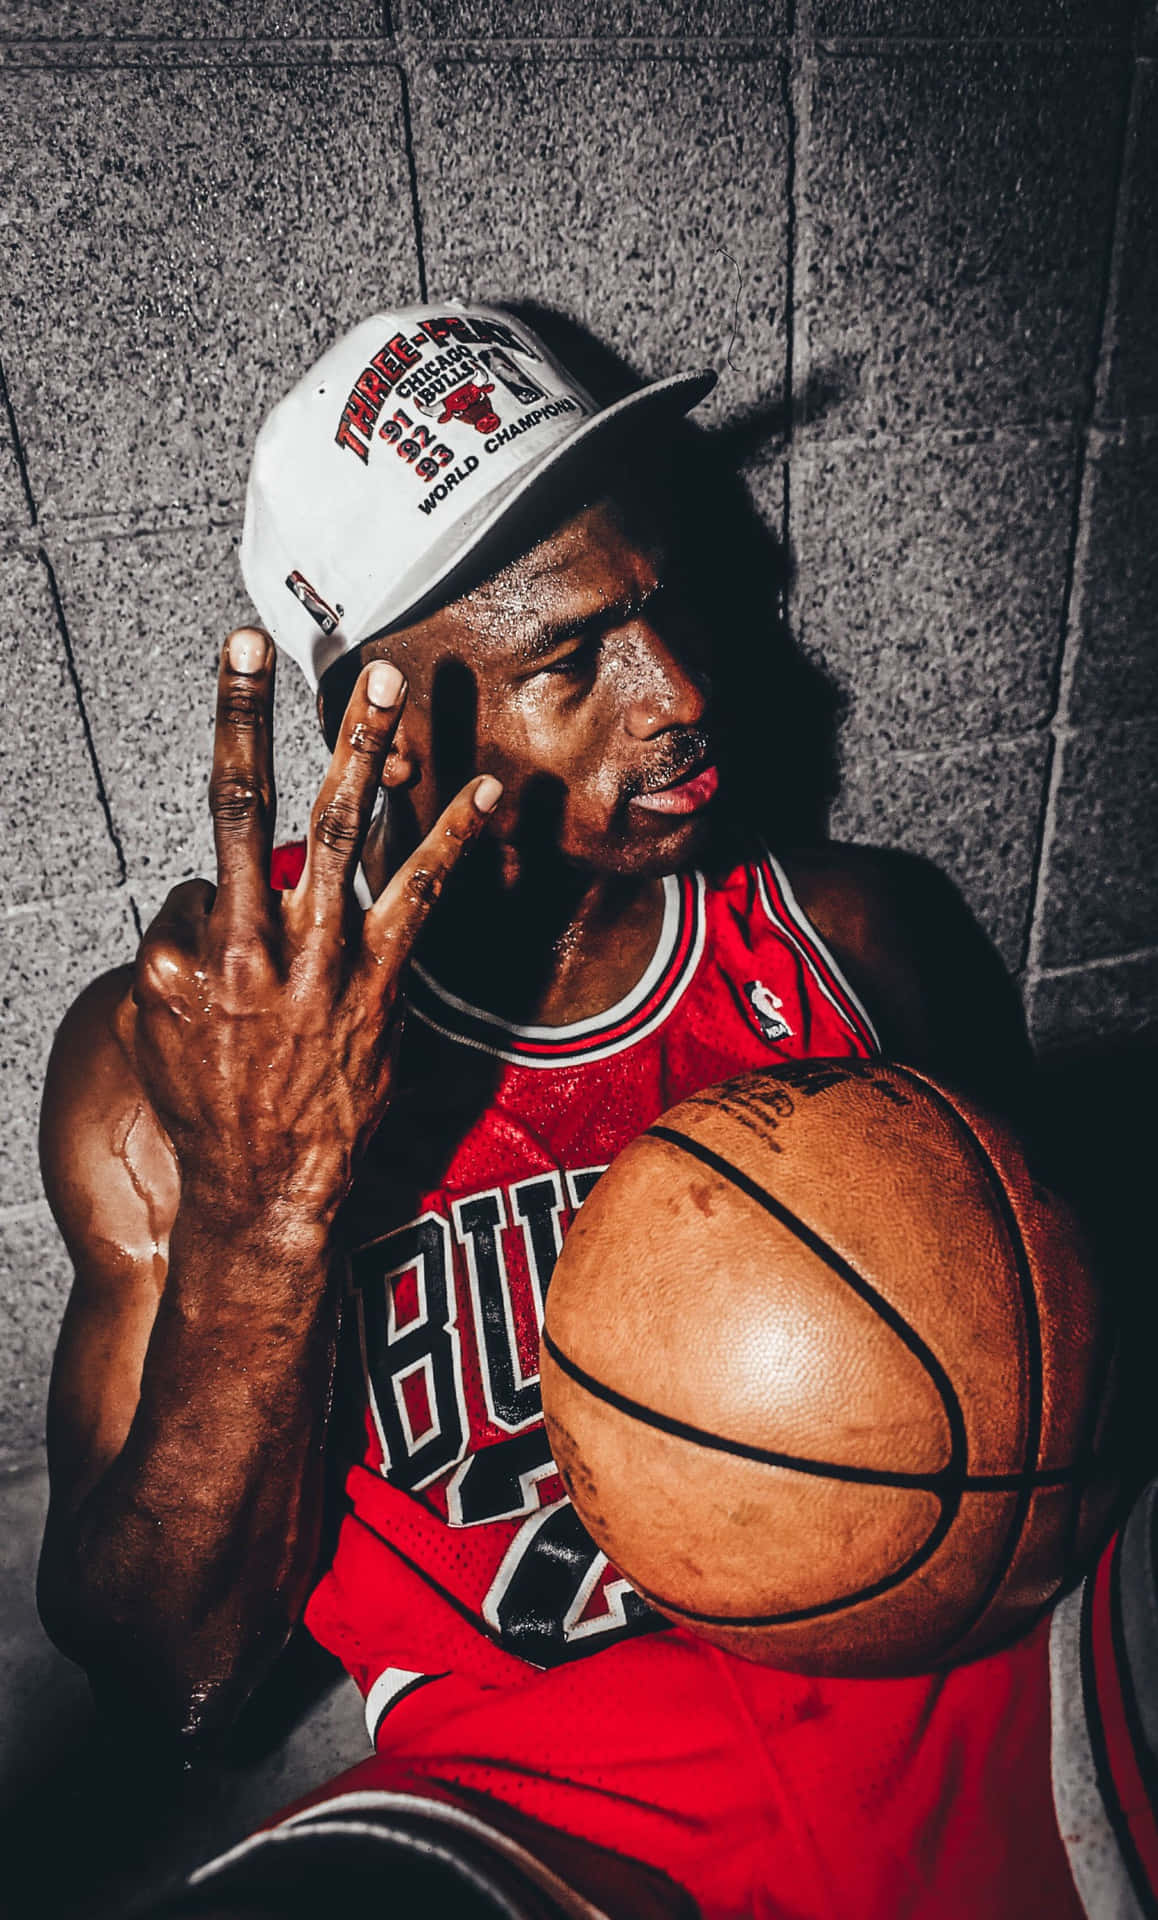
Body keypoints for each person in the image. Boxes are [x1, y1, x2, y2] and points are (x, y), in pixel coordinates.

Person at [35, 303, 1157, 1918]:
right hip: (540, 1789)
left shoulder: (856, 943)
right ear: (395, 735)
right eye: (573, 657)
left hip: (991, 1667)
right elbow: (174, 1681)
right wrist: (267, 1207)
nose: (688, 690)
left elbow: (1076, 1363)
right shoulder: (177, 1059)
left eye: (677, 599)